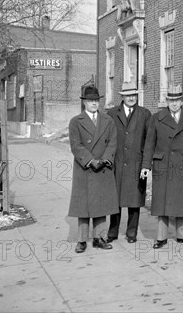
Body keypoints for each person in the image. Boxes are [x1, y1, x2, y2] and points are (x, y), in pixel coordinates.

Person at [142, 84, 183, 249]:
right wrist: (145, 165)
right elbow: (149, 144)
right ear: (167, 101)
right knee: (161, 200)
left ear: (182, 101)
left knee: (181, 200)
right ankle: (161, 237)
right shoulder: (157, 118)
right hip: (163, 164)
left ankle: (182, 235)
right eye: (171, 100)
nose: (174, 103)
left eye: (177, 100)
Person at [67, 86, 119, 253]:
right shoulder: (76, 121)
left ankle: (99, 238)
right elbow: (76, 145)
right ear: (84, 103)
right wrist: (90, 161)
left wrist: (105, 159)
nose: (94, 103)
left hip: (103, 168)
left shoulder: (107, 120)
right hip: (85, 169)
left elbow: (113, 141)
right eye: (90, 101)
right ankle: (82, 240)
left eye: (96, 101)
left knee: (101, 205)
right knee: (84, 206)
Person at [106, 82, 152, 243]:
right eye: (128, 95)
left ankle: (131, 233)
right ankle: (112, 232)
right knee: (114, 200)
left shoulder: (145, 114)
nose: (131, 98)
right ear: (122, 96)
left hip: (136, 164)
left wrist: (146, 165)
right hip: (116, 164)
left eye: (133, 95)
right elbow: (106, 139)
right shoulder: (111, 114)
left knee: (134, 201)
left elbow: (149, 142)